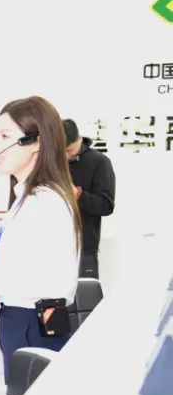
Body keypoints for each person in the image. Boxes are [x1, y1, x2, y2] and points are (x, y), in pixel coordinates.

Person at [0, 97, 80, 395]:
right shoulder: (27, 197)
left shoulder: (44, 202)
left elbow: (51, 278)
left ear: (36, 143)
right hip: (21, 319)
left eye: (5, 136)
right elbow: (25, 261)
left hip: (32, 322)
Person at [64, 119, 115, 278]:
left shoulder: (99, 162)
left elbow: (106, 205)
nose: (65, 155)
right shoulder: (52, 161)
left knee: (86, 292)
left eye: (69, 150)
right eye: (60, 151)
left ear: (79, 139)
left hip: (84, 248)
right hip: (53, 244)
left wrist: (79, 195)